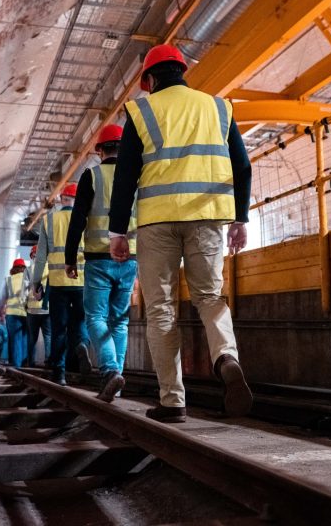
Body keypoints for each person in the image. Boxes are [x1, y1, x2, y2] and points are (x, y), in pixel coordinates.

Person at [108, 44, 253, 423]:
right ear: (182, 71)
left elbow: (125, 177)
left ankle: (172, 401)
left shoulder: (141, 111)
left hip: (157, 222)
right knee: (209, 297)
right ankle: (226, 357)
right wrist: (240, 219)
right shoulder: (219, 107)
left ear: (150, 79)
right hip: (207, 218)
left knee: (161, 310)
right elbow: (243, 165)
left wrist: (117, 232)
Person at [65, 124, 138, 402]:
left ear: (100, 150)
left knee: (95, 317)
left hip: (98, 259)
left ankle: (109, 371)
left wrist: (70, 257)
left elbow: (78, 220)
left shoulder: (92, 176)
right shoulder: (137, 176)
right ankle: (115, 381)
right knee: (119, 322)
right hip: (130, 258)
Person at [31, 183, 91, 385]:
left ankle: (60, 373)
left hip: (57, 284)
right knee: (80, 322)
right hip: (82, 281)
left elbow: (40, 258)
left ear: (62, 199)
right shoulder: (86, 219)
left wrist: (36, 283)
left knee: (59, 329)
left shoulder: (48, 220)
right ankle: (81, 345)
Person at [0, 258, 29, 368]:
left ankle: (17, 366)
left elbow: (1, 298)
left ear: (13, 269)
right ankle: (25, 364)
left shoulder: (8, 280)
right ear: (24, 268)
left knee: (15, 339)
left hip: (12, 314)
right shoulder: (28, 280)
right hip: (27, 313)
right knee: (25, 338)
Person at [27, 244, 51, 366]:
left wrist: (24, 305)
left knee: (32, 337)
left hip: (32, 310)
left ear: (32, 256)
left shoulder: (29, 269)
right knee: (48, 336)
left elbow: (23, 291)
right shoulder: (50, 268)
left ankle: (31, 361)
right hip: (47, 309)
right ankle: (48, 360)